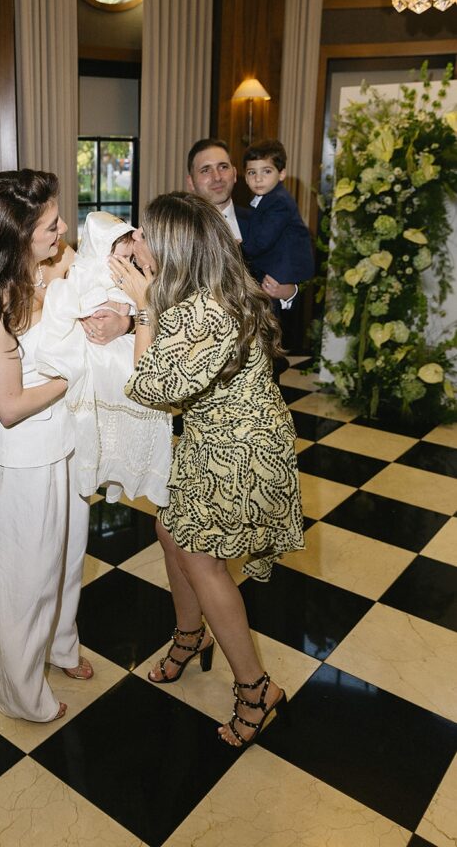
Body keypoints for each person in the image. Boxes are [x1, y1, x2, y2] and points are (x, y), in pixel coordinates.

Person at [109, 192, 304, 748]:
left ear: (175, 247)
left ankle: (256, 690)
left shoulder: (207, 311)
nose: (136, 239)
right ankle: (192, 635)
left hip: (238, 451)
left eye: (145, 234)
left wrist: (143, 308)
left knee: (201, 558)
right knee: (168, 528)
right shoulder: (204, 289)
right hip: (218, 439)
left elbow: (151, 387)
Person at [0, 169, 93, 724]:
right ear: (18, 237)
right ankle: (20, 691)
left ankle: (60, 645)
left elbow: (91, 264)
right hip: (25, 452)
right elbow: (8, 406)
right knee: (24, 577)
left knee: (67, 557)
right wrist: (72, 376)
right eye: (51, 225)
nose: (63, 230)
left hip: (66, 439)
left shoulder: (52, 261)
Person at [35, 210, 171, 507]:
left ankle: (119, 466)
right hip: (60, 386)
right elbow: (75, 297)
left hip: (118, 357)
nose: (63, 228)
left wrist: (125, 320)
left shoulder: (68, 253)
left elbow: (146, 308)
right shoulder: (84, 269)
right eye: (53, 225)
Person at [185, 137, 298, 306]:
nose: (217, 177)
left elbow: (292, 268)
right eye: (205, 170)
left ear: (235, 174)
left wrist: (289, 293)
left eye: (223, 167)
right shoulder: (179, 230)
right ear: (191, 182)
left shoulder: (266, 221)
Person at [240, 139, 315, 293]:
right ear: (246, 177)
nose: (258, 179)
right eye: (252, 172)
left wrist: (236, 247)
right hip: (273, 264)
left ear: (281, 174)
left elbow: (261, 241)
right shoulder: (266, 197)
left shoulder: (279, 201)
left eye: (266, 171)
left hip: (284, 269)